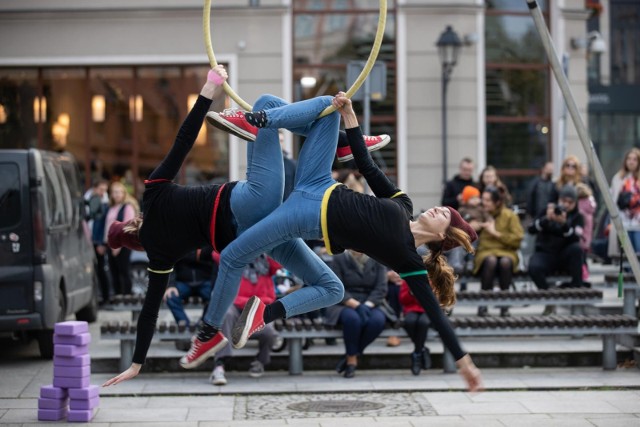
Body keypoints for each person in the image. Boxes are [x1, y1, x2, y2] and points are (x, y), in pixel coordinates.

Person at [102, 67, 387, 387]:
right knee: (269, 104)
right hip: (251, 202)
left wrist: (136, 364)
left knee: (331, 288)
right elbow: (184, 139)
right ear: (128, 226)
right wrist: (209, 91)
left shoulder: (159, 258)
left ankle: (338, 144)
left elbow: (149, 314)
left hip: (252, 235)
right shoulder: (152, 191)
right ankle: (342, 144)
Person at [189, 91, 483, 391]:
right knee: (313, 106)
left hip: (306, 214)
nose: (438, 209)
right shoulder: (403, 204)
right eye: (443, 207)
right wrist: (351, 119)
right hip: (318, 180)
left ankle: (237, 323)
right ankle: (282, 123)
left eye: (444, 215)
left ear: (441, 236)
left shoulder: (407, 259)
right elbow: (368, 168)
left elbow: (436, 316)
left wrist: (464, 362)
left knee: (319, 285)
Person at [210, 254, 280, 385]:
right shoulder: (236, 256)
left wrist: (267, 244)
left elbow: (279, 262)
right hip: (236, 304)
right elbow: (217, 254)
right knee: (226, 314)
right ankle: (220, 365)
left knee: (269, 332)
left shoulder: (267, 260)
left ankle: (260, 361)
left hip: (259, 306)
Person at [324, 249, 388, 378]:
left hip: (372, 302)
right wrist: (356, 305)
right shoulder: (339, 258)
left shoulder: (378, 258)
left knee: (377, 321)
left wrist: (367, 305)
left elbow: (381, 288)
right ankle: (352, 362)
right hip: (344, 302)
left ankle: (351, 354)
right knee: (353, 320)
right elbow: (335, 286)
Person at [473, 186, 523, 317]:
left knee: (505, 262)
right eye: (483, 199)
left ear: (497, 202)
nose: (484, 203)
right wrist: (472, 227)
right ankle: (483, 303)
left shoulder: (510, 216)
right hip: (486, 252)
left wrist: (496, 234)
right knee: (491, 261)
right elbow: (463, 232)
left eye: (488, 200)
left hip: (507, 251)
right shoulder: (479, 214)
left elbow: (517, 240)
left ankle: (504, 304)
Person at [527, 185, 585, 290]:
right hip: (546, 253)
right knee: (534, 267)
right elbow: (531, 229)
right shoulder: (547, 211)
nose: (566, 205)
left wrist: (564, 224)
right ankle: (547, 294)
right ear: (558, 199)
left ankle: (576, 287)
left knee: (576, 249)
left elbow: (576, 238)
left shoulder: (578, 217)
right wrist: (546, 219)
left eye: (570, 202)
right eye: (563, 201)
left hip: (565, 255)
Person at [162, 247, 216, 326]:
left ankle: (204, 323)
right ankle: (185, 325)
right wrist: (171, 285)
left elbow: (214, 261)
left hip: (205, 281)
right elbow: (170, 264)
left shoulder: (206, 241)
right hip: (183, 282)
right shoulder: (178, 242)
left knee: (216, 296)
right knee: (170, 296)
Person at [104, 181, 139, 296]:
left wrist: (118, 245)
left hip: (123, 244)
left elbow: (127, 227)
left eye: (119, 192)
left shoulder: (127, 207)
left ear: (124, 193)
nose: (117, 194)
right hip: (111, 244)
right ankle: (117, 295)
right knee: (113, 271)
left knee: (124, 270)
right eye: (114, 192)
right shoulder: (111, 207)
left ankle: (127, 296)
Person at [608, 148, 640, 258]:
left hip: (638, 224)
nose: (631, 162)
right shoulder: (618, 178)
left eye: (635, 159)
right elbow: (612, 199)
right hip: (623, 223)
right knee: (625, 256)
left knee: (638, 253)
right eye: (629, 159)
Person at [399, 278, 432, 376]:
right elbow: (403, 300)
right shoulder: (408, 278)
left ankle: (417, 354)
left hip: (429, 309)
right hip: (411, 308)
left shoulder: (435, 277)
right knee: (409, 322)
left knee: (423, 322)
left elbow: (438, 298)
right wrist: (411, 293)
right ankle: (421, 349)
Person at [86, 180, 111, 305]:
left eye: (105, 190)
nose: (103, 193)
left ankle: (105, 297)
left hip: (97, 241)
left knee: (101, 270)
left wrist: (101, 243)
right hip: (87, 241)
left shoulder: (105, 204)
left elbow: (103, 226)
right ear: (94, 189)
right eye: (101, 189)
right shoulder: (87, 201)